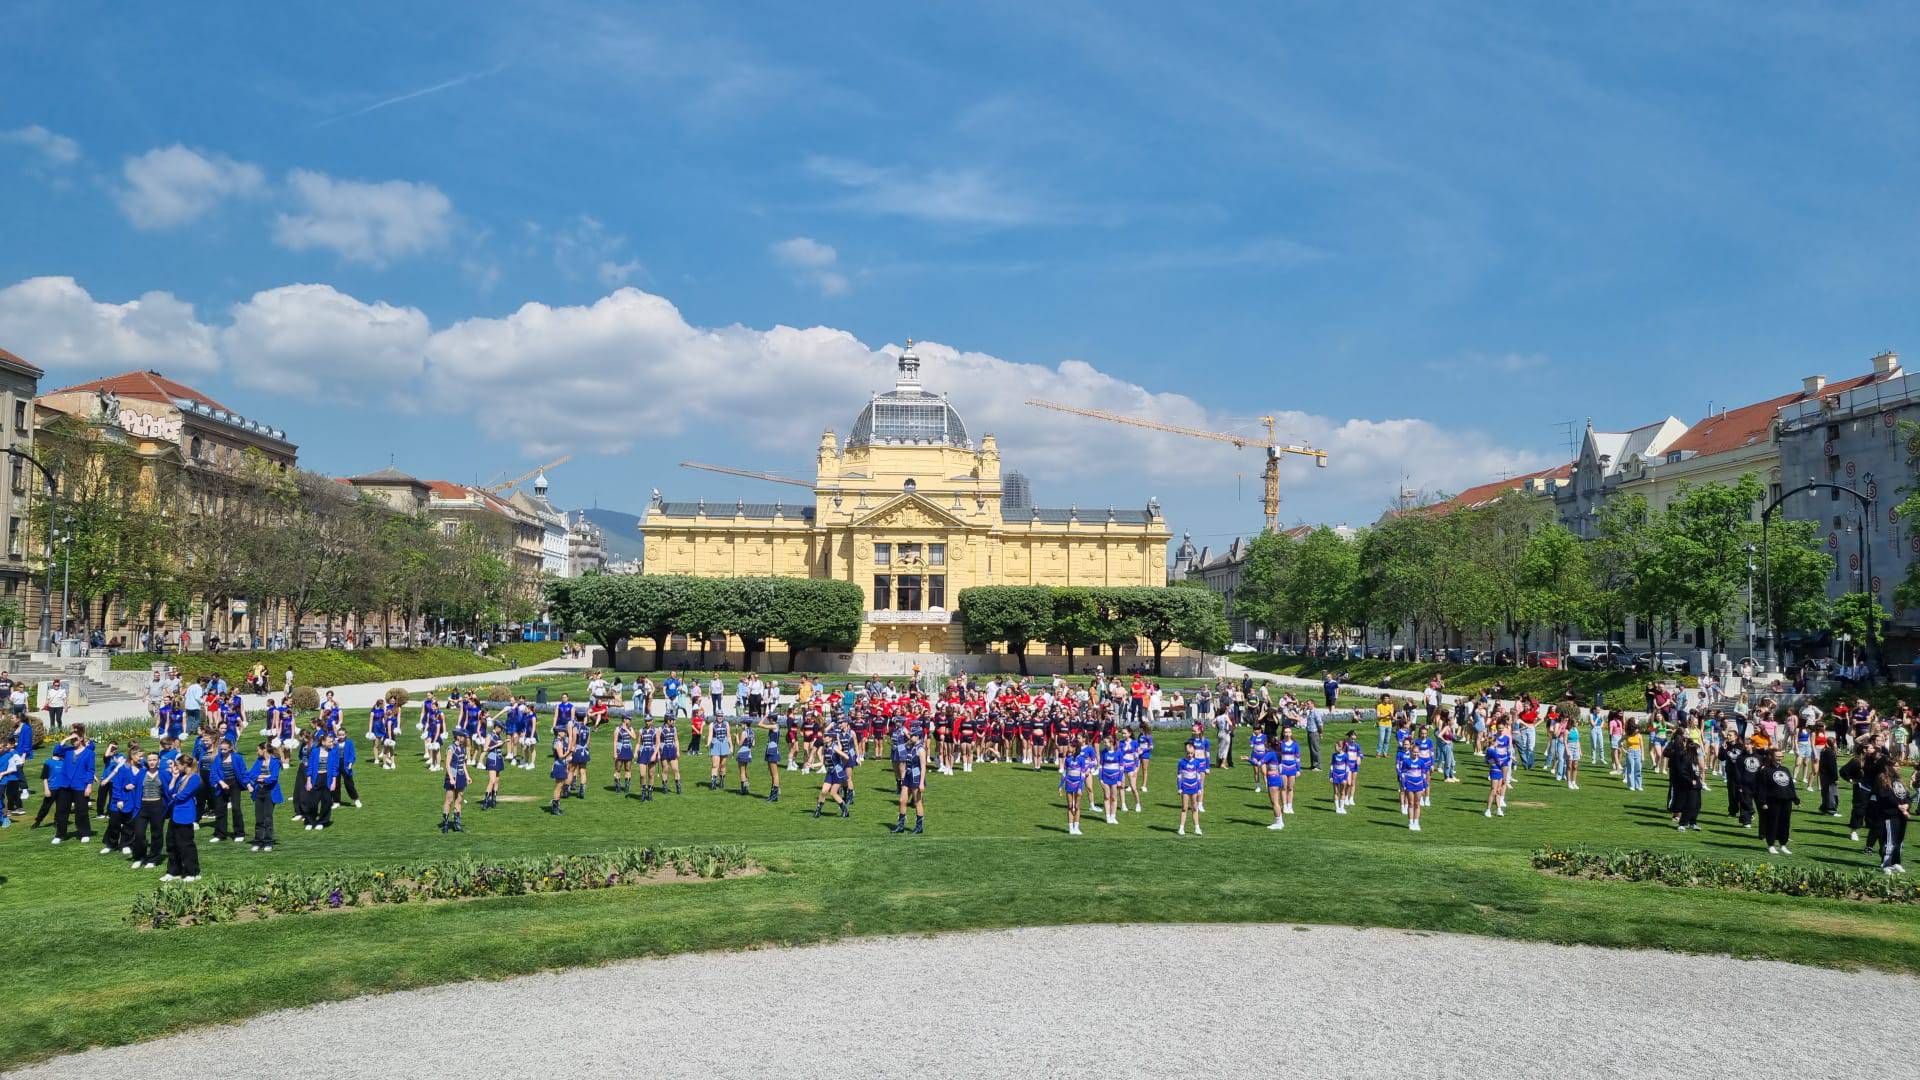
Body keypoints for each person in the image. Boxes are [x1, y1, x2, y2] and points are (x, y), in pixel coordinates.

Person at [162, 756, 202, 881]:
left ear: (185, 765)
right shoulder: (181, 777)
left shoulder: (194, 778)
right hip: (175, 814)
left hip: (185, 814)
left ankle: (193, 872)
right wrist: (174, 778)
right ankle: (174, 871)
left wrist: (175, 796)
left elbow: (183, 795)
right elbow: (169, 792)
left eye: (178, 765)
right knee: (171, 843)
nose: (176, 767)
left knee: (185, 845)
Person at [1753, 748, 1799, 854]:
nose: (1780, 758)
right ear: (1771, 757)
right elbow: (1762, 788)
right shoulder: (1766, 771)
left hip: (1786, 802)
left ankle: (1783, 844)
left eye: (1781, 756)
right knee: (1772, 823)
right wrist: (1763, 802)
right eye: (1777, 756)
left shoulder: (1785, 770)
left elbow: (1790, 785)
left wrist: (1795, 798)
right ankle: (1771, 845)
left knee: (1785, 823)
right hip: (1772, 802)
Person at [205, 737, 246, 843]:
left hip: (234, 784)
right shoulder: (217, 758)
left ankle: (239, 833)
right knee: (219, 809)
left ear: (230, 748)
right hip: (221, 784)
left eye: (225, 750)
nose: (222, 752)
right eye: (221, 749)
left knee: (236, 808)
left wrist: (248, 784)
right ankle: (220, 834)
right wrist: (221, 783)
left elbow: (243, 771)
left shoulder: (237, 758)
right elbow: (213, 772)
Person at [247, 739, 282, 851]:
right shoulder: (259, 761)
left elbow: (273, 778)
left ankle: (268, 842)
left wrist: (261, 778)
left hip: (270, 792)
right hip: (259, 792)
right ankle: (258, 841)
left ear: (264, 750)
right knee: (258, 818)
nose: (257, 752)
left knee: (267, 818)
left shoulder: (275, 762)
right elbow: (251, 774)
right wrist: (261, 778)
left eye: (258, 750)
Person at [891, 720, 925, 835]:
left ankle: (919, 826)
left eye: (912, 736)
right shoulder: (911, 747)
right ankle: (900, 825)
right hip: (908, 776)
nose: (910, 737)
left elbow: (923, 767)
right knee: (902, 800)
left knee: (917, 802)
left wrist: (921, 783)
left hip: (916, 777)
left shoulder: (921, 750)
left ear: (918, 736)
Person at [303, 733, 339, 831]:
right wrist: (309, 781)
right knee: (312, 802)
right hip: (316, 778)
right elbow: (310, 767)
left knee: (326, 801)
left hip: (327, 778)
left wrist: (334, 782)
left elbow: (335, 768)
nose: (332, 743)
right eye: (330, 741)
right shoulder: (315, 751)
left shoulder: (334, 752)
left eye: (332, 741)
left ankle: (322, 821)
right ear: (323, 742)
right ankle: (310, 821)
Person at [1175, 740, 1206, 836]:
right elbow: (1179, 776)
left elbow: (1198, 776)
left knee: (1195, 807)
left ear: (1194, 753)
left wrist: (1199, 788)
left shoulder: (1197, 763)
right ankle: (1181, 828)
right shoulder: (1181, 762)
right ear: (1185, 752)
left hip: (1194, 788)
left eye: (1192, 753)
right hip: (1185, 788)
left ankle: (1197, 828)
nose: (1190, 755)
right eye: (1188, 753)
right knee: (1184, 808)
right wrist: (1179, 788)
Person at [440, 736, 469, 833]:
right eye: (463, 737)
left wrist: (467, 776)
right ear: (458, 737)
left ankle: (457, 824)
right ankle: (445, 824)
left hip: (461, 776)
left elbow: (463, 763)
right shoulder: (451, 748)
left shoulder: (463, 748)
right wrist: (451, 778)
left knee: (459, 800)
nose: (465, 738)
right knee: (449, 800)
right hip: (452, 777)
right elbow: (447, 764)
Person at [759, 711, 783, 802]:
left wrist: (764, 717)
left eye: (769, 718)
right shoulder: (775, 725)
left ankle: (775, 795)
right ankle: (773, 794)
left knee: (775, 774)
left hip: (773, 750)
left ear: (771, 719)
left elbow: (760, 724)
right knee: (772, 774)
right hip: (770, 749)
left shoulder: (774, 726)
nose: (768, 720)